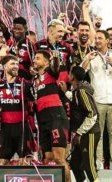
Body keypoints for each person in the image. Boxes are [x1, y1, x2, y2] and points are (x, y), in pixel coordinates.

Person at [81, 29, 112, 171]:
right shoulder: (91, 56)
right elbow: (80, 73)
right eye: (96, 38)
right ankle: (99, 160)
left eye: (100, 38)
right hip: (98, 100)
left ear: (107, 40)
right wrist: (87, 60)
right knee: (98, 133)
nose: (97, 40)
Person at [32, 49, 70, 181]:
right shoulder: (35, 80)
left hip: (56, 119)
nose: (34, 60)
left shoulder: (50, 72)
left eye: (38, 58)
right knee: (47, 159)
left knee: (59, 159)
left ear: (46, 62)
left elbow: (55, 68)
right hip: (43, 122)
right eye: (34, 58)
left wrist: (55, 59)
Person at [68, 66, 99, 182]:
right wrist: (65, 91)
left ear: (72, 76)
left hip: (90, 132)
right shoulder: (77, 90)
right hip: (82, 132)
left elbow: (92, 114)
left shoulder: (81, 90)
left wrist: (80, 132)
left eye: (69, 73)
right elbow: (78, 104)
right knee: (75, 164)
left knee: (89, 165)